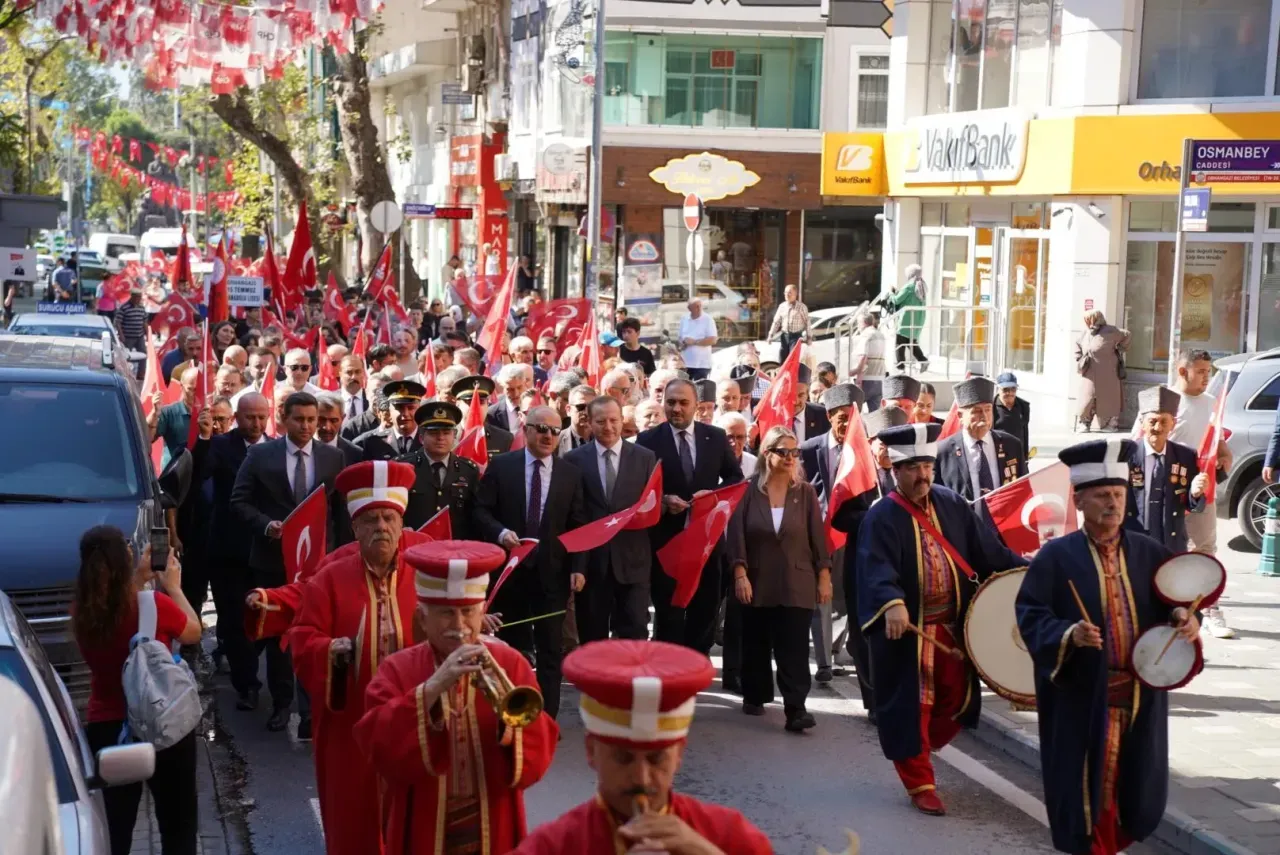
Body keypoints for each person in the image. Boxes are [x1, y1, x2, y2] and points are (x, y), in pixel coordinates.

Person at [1016, 438, 1200, 855]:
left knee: (1131, 787)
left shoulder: (1150, 553)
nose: (1113, 503)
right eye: (1102, 495)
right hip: (1084, 698)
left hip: (1138, 696)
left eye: (1118, 493)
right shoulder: (1055, 558)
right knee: (1091, 789)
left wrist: (1185, 617)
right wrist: (1069, 634)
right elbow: (1030, 614)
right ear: (1079, 501)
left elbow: (1177, 602)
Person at [252, 460, 424, 854]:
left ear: (402, 524)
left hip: (412, 719)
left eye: (389, 518)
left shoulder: (425, 569)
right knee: (354, 817)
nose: (381, 527)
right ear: (354, 528)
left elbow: (452, 614)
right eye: (371, 520)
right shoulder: (330, 576)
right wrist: (330, 651)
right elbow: (303, 635)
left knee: (411, 817)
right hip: (351, 723)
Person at [856, 421, 1023, 814]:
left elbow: (989, 552)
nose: (923, 475)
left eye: (927, 466)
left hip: (952, 626)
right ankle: (920, 782)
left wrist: (1030, 571)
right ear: (896, 470)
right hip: (910, 632)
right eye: (913, 467)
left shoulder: (951, 503)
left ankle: (915, 748)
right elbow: (875, 567)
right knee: (914, 707)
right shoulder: (882, 515)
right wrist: (891, 602)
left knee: (956, 701)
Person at [353, 540, 560, 853]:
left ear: (482, 614)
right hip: (423, 824)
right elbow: (376, 744)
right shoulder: (396, 668)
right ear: (423, 619)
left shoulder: (511, 663)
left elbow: (539, 753)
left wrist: (507, 725)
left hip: (493, 821)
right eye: (446, 614)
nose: (460, 626)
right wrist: (432, 688)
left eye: (468, 612)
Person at [511, 639, 773, 854]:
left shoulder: (730, 835)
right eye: (623, 758)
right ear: (591, 751)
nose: (641, 777)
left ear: (679, 754)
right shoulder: (553, 846)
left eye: (656, 759)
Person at [74, 525, 202, 855]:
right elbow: (193, 632)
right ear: (125, 558)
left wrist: (139, 579)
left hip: (109, 730)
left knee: (115, 831)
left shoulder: (83, 612)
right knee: (178, 826)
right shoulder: (154, 604)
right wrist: (173, 588)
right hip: (163, 724)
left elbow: (118, 610)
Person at [231, 392, 347, 732]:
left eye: (312, 420)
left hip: (317, 564)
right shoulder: (260, 455)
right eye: (300, 420)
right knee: (279, 636)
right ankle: (282, 704)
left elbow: (340, 513)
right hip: (272, 561)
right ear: (284, 419)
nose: (307, 427)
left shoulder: (333, 457)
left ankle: (309, 711)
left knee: (314, 631)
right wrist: (267, 526)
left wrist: (339, 555)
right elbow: (239, 501)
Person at [475, 406, 587, 718]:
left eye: (555, 431)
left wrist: (578, 568)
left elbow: (578, 525)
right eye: (541, 429)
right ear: (526, 431)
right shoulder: (502, 466)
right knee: (511, 650)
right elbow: (481, 510)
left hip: (552, 577)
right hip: (510, 575)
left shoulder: (570, 474)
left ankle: (547, 720)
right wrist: (500, 533)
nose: (548, 436)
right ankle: (510, 716)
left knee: (550, 651)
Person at [728, 426, 831, 733]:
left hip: (797, 580)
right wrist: (740, 573)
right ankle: (755, 693)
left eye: (794, 452)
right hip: (757, 579)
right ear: (767, 453)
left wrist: (824, 575)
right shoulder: (748, 490)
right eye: (783, 452)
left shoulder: (805, 492)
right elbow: (736, 535)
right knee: (757, 642)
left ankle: (796, 709)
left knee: (794, 647)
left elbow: (818, 538)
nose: (790, 458)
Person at [638, 378, 743, 653]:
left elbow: (735, 478)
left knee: (705, 611)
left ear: (697, 405)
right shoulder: (647, 440)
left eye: (683, 402)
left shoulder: (715, 437)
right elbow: (639, 489)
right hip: (667, 544)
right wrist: (663, 501)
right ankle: (669, 667)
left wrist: (712, 496)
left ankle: (696, 664)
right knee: (669, 615)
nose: (676, 408)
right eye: (671, 402)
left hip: (706, 543)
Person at [830, 406, 909, 721]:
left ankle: (898, 694)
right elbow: (840, 517)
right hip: (862, 565)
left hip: (902, 566)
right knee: (865, 634)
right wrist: (873, 514)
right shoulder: (857, 473)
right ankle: (874, 700)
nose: (888, 451)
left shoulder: (908, 472)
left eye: (895, 445)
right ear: (871, 442)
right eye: (883, 443)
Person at [566, 396, 659, 642]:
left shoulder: (645, 458)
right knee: (592, 636)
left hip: (633, 561)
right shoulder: (573, 460)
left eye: (613, 420)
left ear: (622, 420)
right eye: (601, 421)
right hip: (592, 565)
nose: (608, 427)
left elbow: (653, 507)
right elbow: (574, 517)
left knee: (635, 634)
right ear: (589, 422)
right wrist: (577, 566)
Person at [202, 393, 270, 709]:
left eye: (261, 417)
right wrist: (203, 439)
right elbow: (200, 473)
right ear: (236, 418)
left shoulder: (276, 448)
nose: (256, 424)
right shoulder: (219, 446)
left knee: (263, 617)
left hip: (264, 551)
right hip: (227, 551)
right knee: (232, 620)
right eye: (249, 417)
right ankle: (248, 685)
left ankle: (249, 662)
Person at [1164, 349, 1235, 638]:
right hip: (1168, 489)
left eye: (1209, 371)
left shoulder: (1210, 404)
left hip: (1203, 488)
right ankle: (1166, 609)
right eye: (1202, 372)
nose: (1207, 377)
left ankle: (1208, 609)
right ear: (1183, 371)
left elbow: (1217, 439)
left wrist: (1224, 455)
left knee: (1205, 549)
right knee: (1168, 550)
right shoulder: (1165, 400)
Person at [799, 384, 863, 685]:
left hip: (849, 534)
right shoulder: (809, 449)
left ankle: (836, 651)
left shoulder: (862, 450)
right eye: (841, 419)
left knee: (841, 598)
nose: (847, 425)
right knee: (820, 596)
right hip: (816, 533)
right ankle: (824, 661)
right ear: (829, 417)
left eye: (852, 419)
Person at [1127, 386, 1208, 553]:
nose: (1158, 427)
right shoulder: (1125, 456)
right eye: (1152, 421)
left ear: (1173, 424)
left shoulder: (1186, 456)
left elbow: (1194, 506)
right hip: (1134, 543)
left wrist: (1195, 494)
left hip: (1172, 544)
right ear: (1142, 423)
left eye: (1164, 421)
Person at [935, 376, 1027, 502]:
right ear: (960, 415)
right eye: (977, 411)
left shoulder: (1011, 445)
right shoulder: (943, 452)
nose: (984, 416)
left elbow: (1024, 490)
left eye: (988, 410)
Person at [400, 401, 481, 533]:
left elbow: (476, 513)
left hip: (455, 544)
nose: (440, 438)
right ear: (421, 438)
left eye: (446, 432)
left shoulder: (468, 470)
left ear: (454, 436)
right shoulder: (404, 467)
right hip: (417, 542)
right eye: (433, 433)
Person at [1075, 310, 1131, 431]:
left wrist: (1120, 348)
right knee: (1088, 398)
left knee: (1109, 397)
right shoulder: (1085, 333)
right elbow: (1078, 345)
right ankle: (1084, 423)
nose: (1086, 321)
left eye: (1088, 319)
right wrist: (1079, 358)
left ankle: (1110, 424)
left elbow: (1127, 335)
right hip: (1090, 372)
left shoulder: (1110, 331)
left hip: (1108, 371)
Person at [354, 380, 425, 461]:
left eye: (411, 408)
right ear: (390, 410)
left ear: (419, 409)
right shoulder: (374, 443)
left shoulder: (430, 440)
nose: (405, 413)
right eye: (399, 408)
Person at [148, 366, 200, 468]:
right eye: (191, 389)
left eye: (199, 389)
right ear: (181, 387)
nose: (196, 394)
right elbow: (146, 438)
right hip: (174, 473)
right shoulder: (169, 413)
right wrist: (154, 413)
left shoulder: (210, 413)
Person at [453, 374, 515, 458]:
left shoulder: (503, 438)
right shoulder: (446, 437)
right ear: (457, 403)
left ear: (487, 404)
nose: (476, 407)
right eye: (470, 402)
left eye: (481, 402)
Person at [887, 265, 928, 372]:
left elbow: (896, 300)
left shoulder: (909, 286)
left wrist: (891, 293)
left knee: (899, 342)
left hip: (906, 319)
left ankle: (901, 367)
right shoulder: (923, 286)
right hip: (918, 319)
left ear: (910, 274)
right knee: (910, 341)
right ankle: (923, 360)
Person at [677, 298, 718, 381]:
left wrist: (694, 342)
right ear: (689, 308)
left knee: (699, 388)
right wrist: (682, 344)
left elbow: (713, 340)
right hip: (685, 364)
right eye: (696, 306)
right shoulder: (684, 318)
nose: (699, 308)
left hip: (702, 365)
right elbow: (680, 337)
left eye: (700, 306)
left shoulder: (708, 319)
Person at [768, 283, 811, 361]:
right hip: (784, 336)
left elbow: (807, 323)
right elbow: (776, 322)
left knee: (792, 359)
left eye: (790, 293)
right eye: (785, 292)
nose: (787, 295)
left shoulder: (801, 307)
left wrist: (809, 337)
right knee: (782, 358)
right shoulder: (782, 306)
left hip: (796, 336)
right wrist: (771, 335)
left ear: (795, 294)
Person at [789, 364, 831, 443]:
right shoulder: (773, 416)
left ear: (807, 394)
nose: (795, 401)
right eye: (791, 396)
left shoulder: (823, 416)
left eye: (801, 395)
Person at [992, 372, 1031, 455]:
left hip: (1017, 454)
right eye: (1005, 389)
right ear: (998, 389)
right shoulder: (991, 407)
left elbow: (1025, 432)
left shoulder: (1023, 406)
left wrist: (1025, 456)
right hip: (998, 454)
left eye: (1013, 389)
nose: (1010, 393)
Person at [490, 362, 533, 432]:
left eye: (519, 387)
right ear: (502, 388)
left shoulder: (536, 408)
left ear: (525, 383)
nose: (516, 394)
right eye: (510, 389)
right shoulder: (491, 414)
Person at [557, 383, 596, 455]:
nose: (586, 412)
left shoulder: (603, 439)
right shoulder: (556, 441)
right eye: (581, 407)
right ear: (568, 410)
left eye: (591, 407)